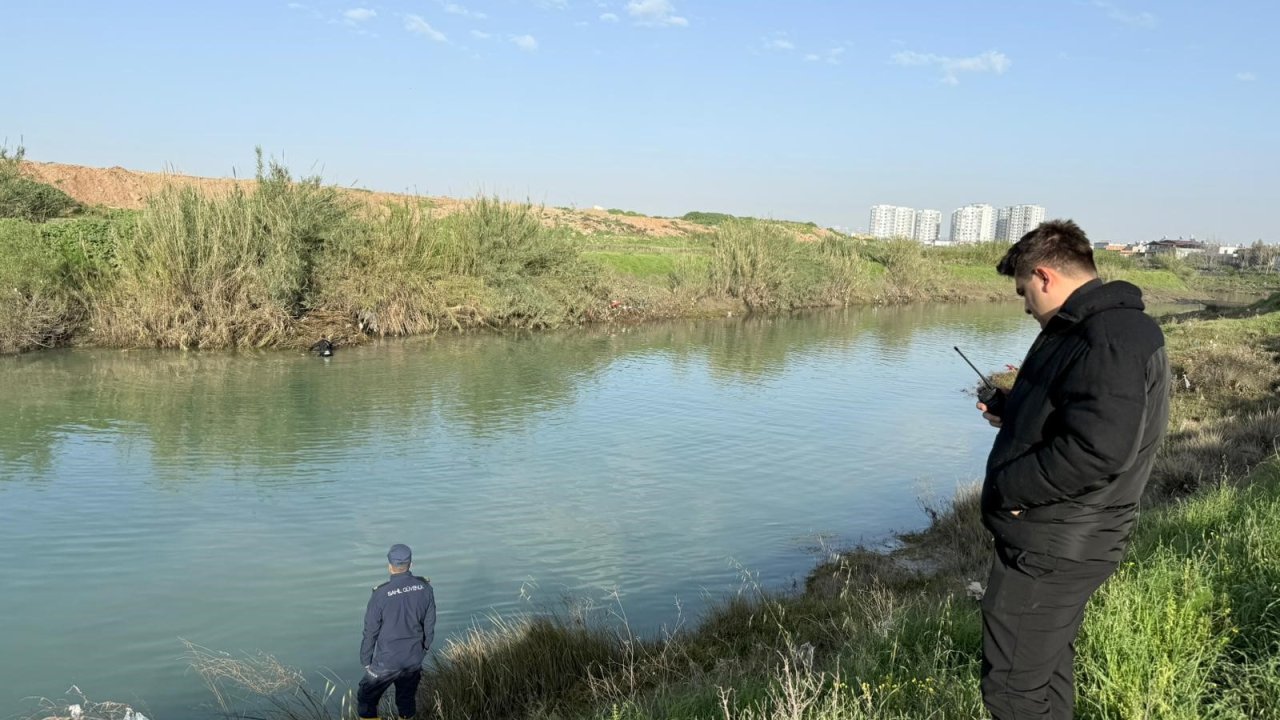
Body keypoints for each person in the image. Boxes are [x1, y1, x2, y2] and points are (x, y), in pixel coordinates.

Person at [975, 219, 1169, 719]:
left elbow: (1098, 449)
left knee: (1014, 692)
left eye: (1023, 292)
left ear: (1044, 276)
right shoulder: (1093, 328)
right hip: (1062, 536)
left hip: (1054, 545)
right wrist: (1015, 408)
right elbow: (1080, 412)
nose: (1024, 306)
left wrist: (1009, 490)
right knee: (1044, 675)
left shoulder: (1107, 336)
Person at [358, 544, 436, 720]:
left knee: (365, 698)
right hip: (413, 658)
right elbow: (429, 625)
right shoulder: (425, 588)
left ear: (389, 565)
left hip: (387, 660)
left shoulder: (380, 594)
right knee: (406, 700)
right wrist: (423, 650)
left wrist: (366, 660)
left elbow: (370, 631)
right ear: (411, 564)